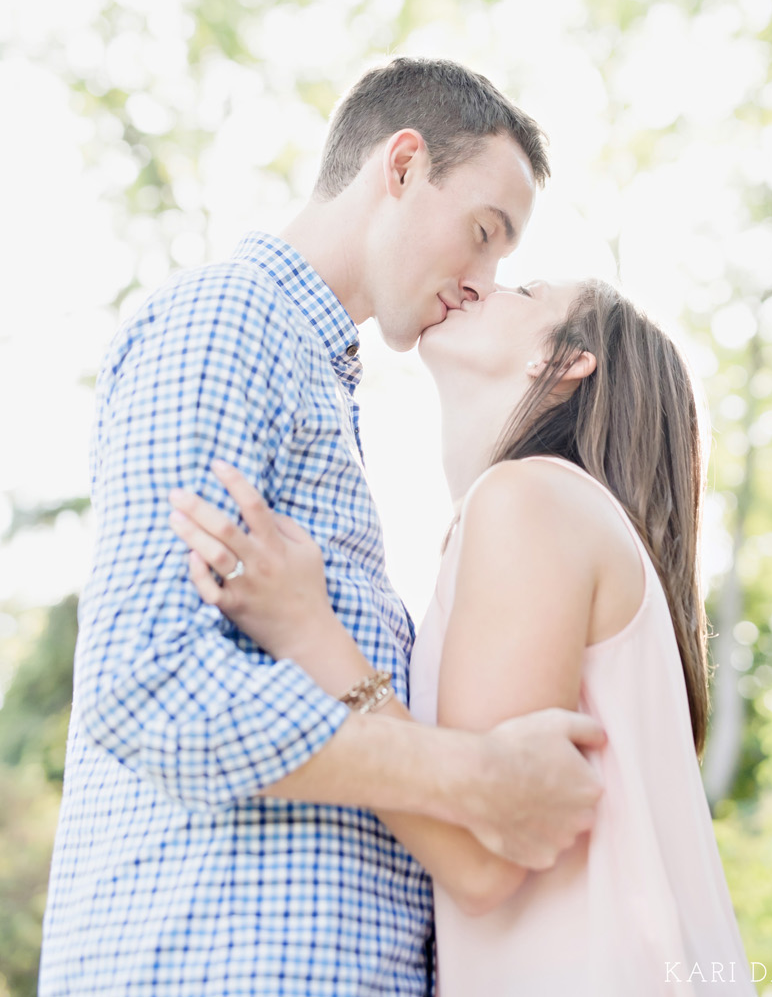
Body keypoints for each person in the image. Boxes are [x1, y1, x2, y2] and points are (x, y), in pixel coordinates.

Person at [39, 58, 606, 997]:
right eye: (481, 232)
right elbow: (147, 678)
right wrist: (473, 775)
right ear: (401, 163)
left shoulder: (320, 389)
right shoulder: (227, 320)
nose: (479, 281)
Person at [170, 278, 757, 995]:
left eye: (522, 287)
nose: (479, 281)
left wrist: (308, 628)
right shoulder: (562, 514)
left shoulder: (530, 497)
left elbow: (484, 861)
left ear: (566, 358)